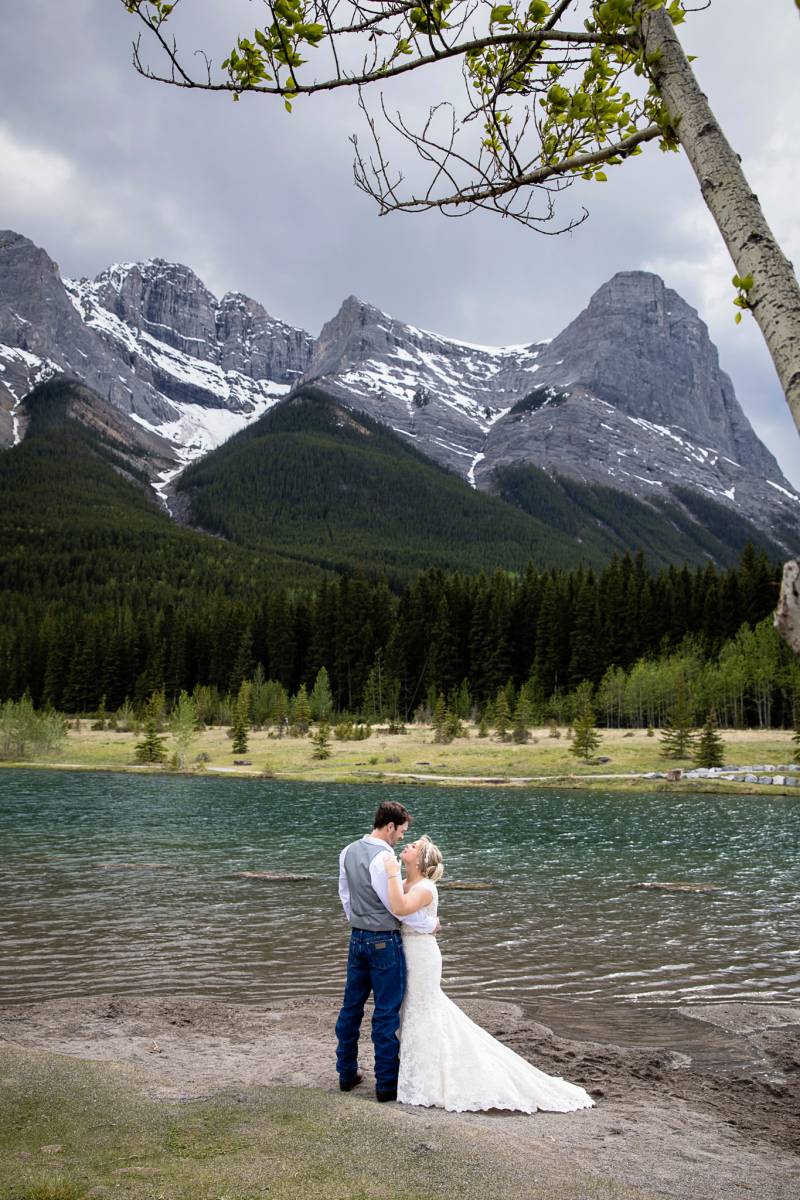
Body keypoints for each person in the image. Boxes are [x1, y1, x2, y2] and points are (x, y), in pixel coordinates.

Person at [384, 835, 595, 1114]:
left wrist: (391, 873)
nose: (407, 846)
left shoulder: (424, 887)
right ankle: (412, 1072)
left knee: (424, 1009)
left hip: (421, 956)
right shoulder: (408, 883)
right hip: (405, 951)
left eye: (413, 847)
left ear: (421, 861)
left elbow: (399, 908)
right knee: (409, 1009)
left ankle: (429, 1078)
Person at [335, 801, 438, 1102]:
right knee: (385, 1012)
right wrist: (429, 922)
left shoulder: (348, 851)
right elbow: (397, 908)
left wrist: (359, 922)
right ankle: (386, 1085)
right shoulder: (384, 858)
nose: (403, 837)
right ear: (390, 826)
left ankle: (346, 1073)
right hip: (383, 942)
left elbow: (346, 897)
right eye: (402, 831)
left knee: (351, 1008)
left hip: (357, 938)